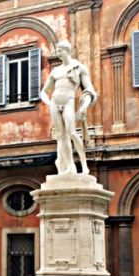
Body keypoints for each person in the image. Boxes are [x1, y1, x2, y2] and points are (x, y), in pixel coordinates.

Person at [40, 40, 97, 175]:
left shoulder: (79, 68)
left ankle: (84, 165)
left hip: (68, 101)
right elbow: (44, 91)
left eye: (60, 51)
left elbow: (89, 89)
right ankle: (70, 167)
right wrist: (48, 102)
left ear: (66, 50)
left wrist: (84, 106)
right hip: (54, 101)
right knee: (61, 136)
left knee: (72, 132)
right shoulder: (55, 71)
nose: (58, 54)